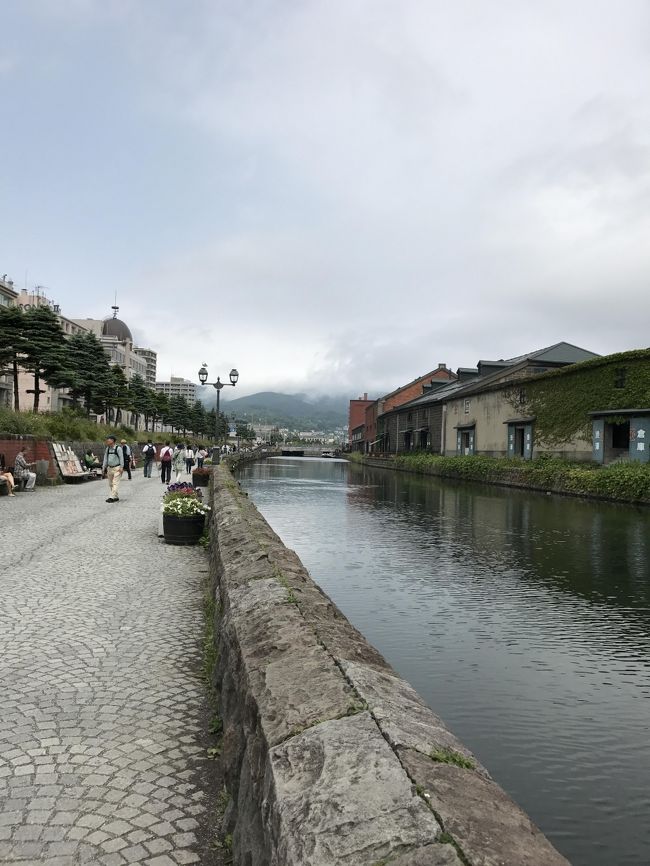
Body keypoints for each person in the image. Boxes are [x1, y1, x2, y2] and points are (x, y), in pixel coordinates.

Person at [102, 435, 124, 503]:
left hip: (117, 468)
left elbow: (121, 458)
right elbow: (105, 459)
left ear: (112, 441)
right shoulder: (107, 449)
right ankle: (116, 496)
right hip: (109, 468)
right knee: (110, 484)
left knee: (115, 483)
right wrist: (103, 468)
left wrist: (121, 467)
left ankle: (111, 497)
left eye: (108, 440)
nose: (107, 441)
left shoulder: (118, 448)